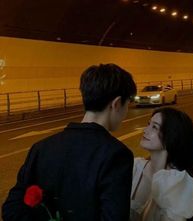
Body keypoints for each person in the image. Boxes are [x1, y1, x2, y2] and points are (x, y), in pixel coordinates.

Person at [2, 63, 137, 221]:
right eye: (128, 104)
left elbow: (11, 209)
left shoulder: (41, 148)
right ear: (116, 103)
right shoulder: (117, 155)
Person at [130, 107, 193, 221]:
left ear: (171, 136)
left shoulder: (177, 183)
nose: (145, 130)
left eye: (154, 127)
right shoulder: (135, 167)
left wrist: (160, 170)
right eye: (148, 124)